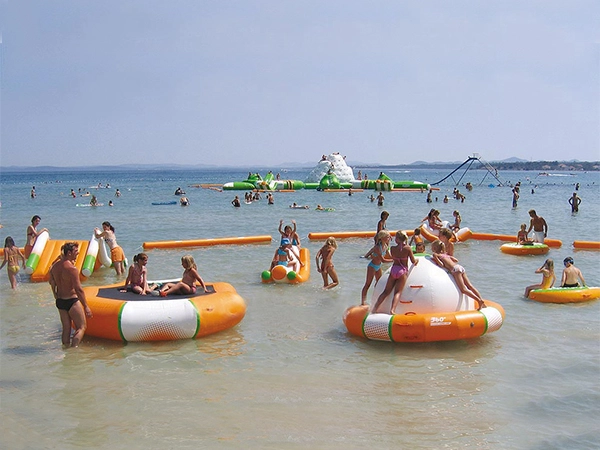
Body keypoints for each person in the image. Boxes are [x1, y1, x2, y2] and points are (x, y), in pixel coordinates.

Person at [49, 242, 93, 347]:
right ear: (69, 253)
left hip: (60, 301)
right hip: (71, 301)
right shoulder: (72, 269)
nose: (77, 254)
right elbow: (78, 289)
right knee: (82, 327)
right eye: (76, 252)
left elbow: (52, 283)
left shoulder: (54, 267)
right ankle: (74, 351)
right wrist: (86, 306)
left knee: (66, 328)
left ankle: (66, 351)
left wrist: (55, 295)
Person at [371, 231, 418, 315]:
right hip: (402, 271)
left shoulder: (392, 248)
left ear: (397, 239)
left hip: (393, 270)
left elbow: (393, 258)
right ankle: (392, 310)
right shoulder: (407, 248)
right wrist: (417, 260)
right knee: (397, 292)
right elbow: (413, 261)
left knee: (386, 292)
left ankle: (375, 308)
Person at [431, 240, 484, 310]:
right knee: (470, 286)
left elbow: (441, 264)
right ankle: (481, 299)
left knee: (463, 289)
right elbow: (456, 260)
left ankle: (479, 300)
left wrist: (436, 260)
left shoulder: (436, 254)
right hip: (460, 267)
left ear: (434, 248)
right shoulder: (446, 255)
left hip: (455, 270)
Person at [361, 230, 393, 305]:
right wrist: (394, 260)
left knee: (379, 283)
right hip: (372, 266)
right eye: (387, 237)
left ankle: (375, 298)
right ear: (382, 238)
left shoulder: (385, 246)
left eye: (389, 237)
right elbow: (383, 260)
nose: (389, 238)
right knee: (367, 284)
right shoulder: (377, 247)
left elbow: (390, 256)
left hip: (378, 266)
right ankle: (363, 302)